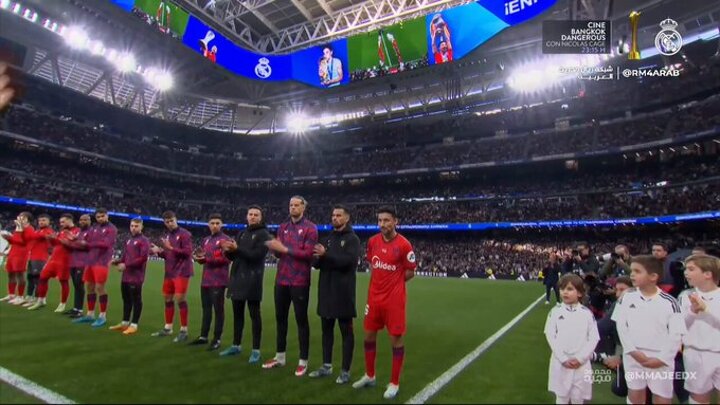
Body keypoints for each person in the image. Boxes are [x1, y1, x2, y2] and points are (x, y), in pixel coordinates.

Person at [353, 206, 416, 400]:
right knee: (368, 336)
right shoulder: (372, 242)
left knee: (395, 339)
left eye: (387, 220)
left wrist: (394, 285)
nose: (382, 224)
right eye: (380, 220)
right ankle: (370, 375)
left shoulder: (404, 245)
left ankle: (394, 383)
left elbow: (410, 271)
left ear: (395, 221)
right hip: (374, 299)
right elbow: (374, 265)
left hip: (394, 302)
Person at [611, 255, 686, 404]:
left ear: (653, 277)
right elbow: (620, 326)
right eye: (631, 270)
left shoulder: (670, 302)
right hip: (633, 356)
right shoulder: (626, 298)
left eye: (637, 271)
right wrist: (632, 351)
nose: (631, 274)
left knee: (662, 397)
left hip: (660, 359)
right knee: (635, 393)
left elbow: (676, 334)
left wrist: (662, 358)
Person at [263, 196, 319, 376]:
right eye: (290, 205)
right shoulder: (283, 227)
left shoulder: (310, 228)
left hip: (300, 280)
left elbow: (308, 254)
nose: (293, 208)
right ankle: (280, 357)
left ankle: (303, 361)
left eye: (296, 205)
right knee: (281, 319)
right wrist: (274, 249)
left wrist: (285, 249)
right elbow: (280, 255)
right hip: (282, 279)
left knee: (301, 320)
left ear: (304, 207)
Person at [309, 205, 361, 384]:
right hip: (326, 290)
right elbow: (317, 263)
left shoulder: (352, 239)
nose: (335, 218)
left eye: (339, 215)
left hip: (344, 292)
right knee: (326, 331)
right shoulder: (328, 238)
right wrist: (316, 257)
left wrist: (326, 256)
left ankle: (345, 370)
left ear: (346, 218)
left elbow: (349, 262)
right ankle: (326, 365)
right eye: (333, 215)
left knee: (346, 333)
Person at [220, 205, 271, 363]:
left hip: (253, 279)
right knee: (237, 314)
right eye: (250, 214)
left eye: (256, 214)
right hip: (237, 277)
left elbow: (256, 256)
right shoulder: (242, 233)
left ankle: (256, 350)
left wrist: (237, 249)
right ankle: (236, 345)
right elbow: (235, 257)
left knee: (254, 315)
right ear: (246, 216)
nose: (253, 217)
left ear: (260, 218)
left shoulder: (264, 234)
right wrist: (228, 251)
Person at [544, 273, 600, 404]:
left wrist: (580, 359)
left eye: (569, 289)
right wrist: (563, 358)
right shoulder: (555, 312)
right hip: (560, 363)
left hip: (581, 365)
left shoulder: (586, 314)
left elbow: (593, 338)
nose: (565, 292)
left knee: (577, 398)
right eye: (562, 289)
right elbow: (550, 336)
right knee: (561, 398)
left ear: (580, 293)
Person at [678, 254, 720, 404]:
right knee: (698, 398)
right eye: (685, 269)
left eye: (691, 269)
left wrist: (706, 308)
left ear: (708, 274)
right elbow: (679, 326)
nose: (685, 272)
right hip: (695, 354)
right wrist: (692, 312)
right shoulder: (685, 296)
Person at [150, 211, 194, 342]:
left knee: (180, 299)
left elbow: (187, 252)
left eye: (171, 221)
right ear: (164, 223)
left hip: (182, 271)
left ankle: (184, 330)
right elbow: (169, 255)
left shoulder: (185, 234)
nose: (170, 223)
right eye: (167, 222)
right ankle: (168, 328)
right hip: (169, 271)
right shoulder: (168, 235)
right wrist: (160, 252)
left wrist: (170, 247)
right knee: (167, 299)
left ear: (176, 219)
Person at [190, 214, 231, 350]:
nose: (214, 225)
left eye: (217, 223)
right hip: (206, 280)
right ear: (208, 225)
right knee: (206, 309)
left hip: (218, 280)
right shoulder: (206, 240)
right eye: (212, 223)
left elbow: (226, 260)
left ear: (221, 225)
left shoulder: (226, 240)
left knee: (218, 311)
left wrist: (206, 259)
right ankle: (203, 336)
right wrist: (199, 258)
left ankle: (217, 339)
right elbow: (205, 257)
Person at [72, 208, 117, 328]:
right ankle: (90, 314)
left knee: (99, 287)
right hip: (90, 261)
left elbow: (106, 244)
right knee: (89, 287)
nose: (100, 218)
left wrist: (88, 244)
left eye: (102, 216)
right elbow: (87, 241)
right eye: (98, 217)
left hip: (101, 262)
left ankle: (102, 316)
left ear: (107, 216)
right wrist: (77, 240)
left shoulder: (111, 229)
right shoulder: (94, 228)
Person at [28, 214, 78, 312]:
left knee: (63, 281)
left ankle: (62, 304)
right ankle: (41, 300)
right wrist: (51, 239)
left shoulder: (76, 231)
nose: (61, 224)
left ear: (70, 220)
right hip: (54, 259)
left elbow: (71, 245)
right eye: (60, 222)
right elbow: (56, 244)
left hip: (65, 260)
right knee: (42, 277)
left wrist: (60, 240)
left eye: (63, 222)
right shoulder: (62, 231)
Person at [109, 218, 149, 335]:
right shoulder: (128, 240)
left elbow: (143, 258)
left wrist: (126, 265)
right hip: (126, 276)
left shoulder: (144, 240)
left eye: (136, 226)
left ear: (141, 227)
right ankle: (124, 323)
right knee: (126, 300)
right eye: (132, 226)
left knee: (136, 300)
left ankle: (134, 324)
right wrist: (117, 261)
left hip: (136, 277)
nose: (133, 228)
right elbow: (125, 256)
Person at [1, 212, 34, 305]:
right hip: (13, 253)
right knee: (10, 274)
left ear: (28, 219)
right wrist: (8, 238)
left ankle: (20, 296)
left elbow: (24, 242)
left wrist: (13, 236)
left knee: (20, 274)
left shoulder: (29, 229)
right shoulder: (18, 228)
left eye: (23, 217)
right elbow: (15, 241)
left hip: (21, 254)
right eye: (19, 216)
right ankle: (11, 294)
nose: (20, 218)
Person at [23, 214, 54, 306]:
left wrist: (27, 228)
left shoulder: (49, 231)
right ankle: (29, 297)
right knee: (30, 278)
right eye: (40, 220)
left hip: (40, 258)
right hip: (32, 257)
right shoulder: (37, 231)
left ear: (49, 222)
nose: (41, 222)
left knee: (38, 279)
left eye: (44, 220)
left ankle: (38, 298)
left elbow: (37, 237)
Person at [64, 214, 91, 318]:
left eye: (85, 220)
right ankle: (75, 308)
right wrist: (73, 240)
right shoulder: (79, 232)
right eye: (81, 220)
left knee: (79, 285)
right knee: (76, 285)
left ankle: (79, 310)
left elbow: (88, 246)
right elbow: (79, 244)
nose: (82, 221)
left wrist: (72, 243)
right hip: (74, 261)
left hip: (82, 262)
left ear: (89, 221)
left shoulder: (91, 232)